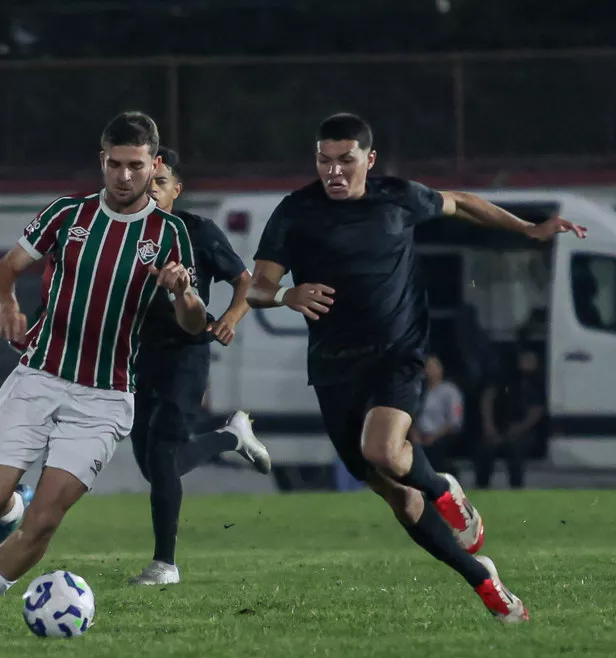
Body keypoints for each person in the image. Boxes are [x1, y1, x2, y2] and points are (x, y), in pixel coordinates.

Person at [247, 112, 587, 624]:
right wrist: (286, 294)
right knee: (396, 495)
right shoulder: (295, 211)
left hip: (399, 353)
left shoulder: (397, 198)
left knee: (382, 449)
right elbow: (255, 288)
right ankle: (482, 579)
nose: (333, 171)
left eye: (346, 160)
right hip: (334, 369)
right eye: (324, 160)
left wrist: (527, 229)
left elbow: (463, 203)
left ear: (369, 159)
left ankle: (444, 487)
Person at [0, 111, 207, 633]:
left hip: (105, 398)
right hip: (39, 376)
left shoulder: (170, 232)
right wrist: (6, 304)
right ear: (102, 161)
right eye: (115, 164)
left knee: (46, 521)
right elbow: (3, 271)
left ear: (154, 164)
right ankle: (8, 509)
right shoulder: (67, 215)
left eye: (136, 166)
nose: (125, 176)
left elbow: (194, 322)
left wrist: (182, 292)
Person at [129, 146, 270, 586]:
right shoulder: (121, 232)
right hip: (136, 359)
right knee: (155, 466)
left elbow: (245, 282)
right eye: (146, 180)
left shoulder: (197, 232)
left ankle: (164, 564)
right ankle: (230, 435)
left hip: (185, 353)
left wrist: (229, 318)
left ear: (177, 189)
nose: (151, 190)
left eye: (160, 182)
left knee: (163, 453)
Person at [476, 347, 545, 489]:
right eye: (524, 359)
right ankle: (481, 488)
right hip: (499, 427)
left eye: (530, 360)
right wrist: (489, 428)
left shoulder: (537, 383)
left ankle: (516, 489)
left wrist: (518, 429)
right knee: (484, 450)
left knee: (516, 450)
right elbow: (488, 398)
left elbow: (536, 412)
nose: (526, 362)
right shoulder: (506, 378)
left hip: (524, 431)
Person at [409, 354, 464, 480]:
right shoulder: (420, 390)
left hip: (443, 434)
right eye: (428, 366)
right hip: (420, 435)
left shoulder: (450, 391)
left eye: (434, 366)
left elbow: (455, 421)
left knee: (435, 450)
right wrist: (415, 433)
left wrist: (434, 436)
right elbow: (412, 415)